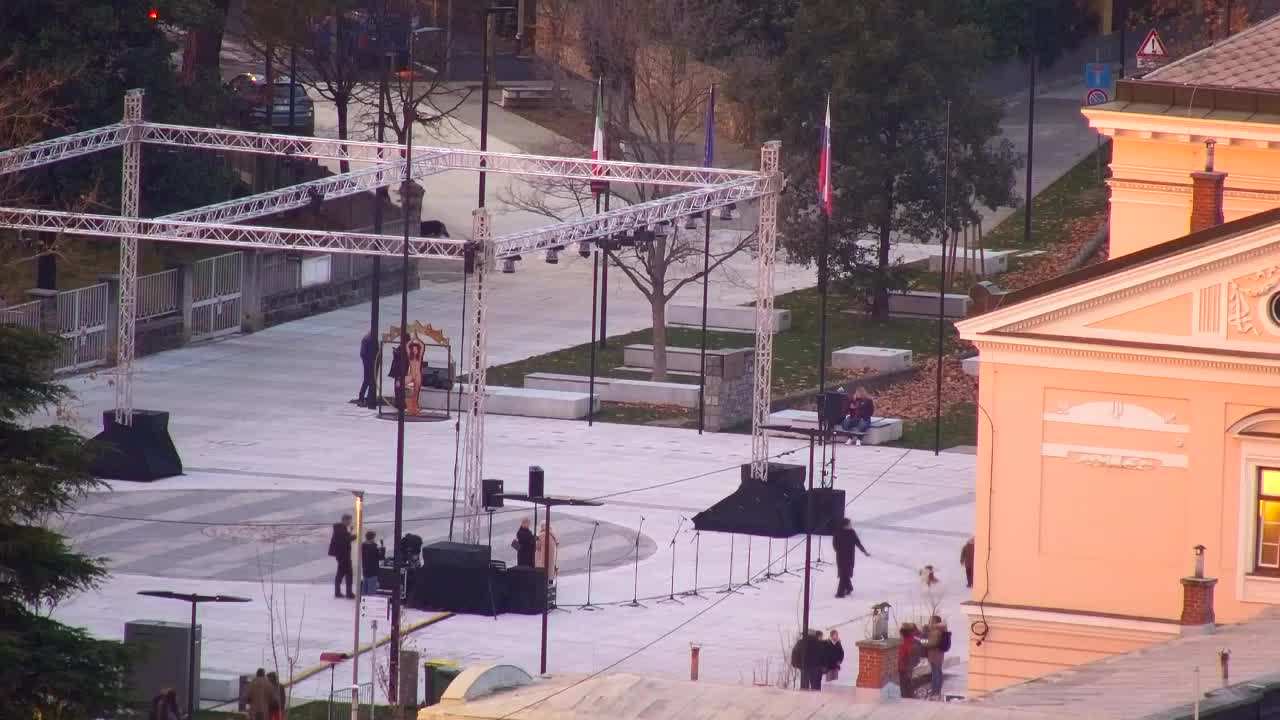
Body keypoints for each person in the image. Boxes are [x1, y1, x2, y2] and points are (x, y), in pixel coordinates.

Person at [831, 517, 869, 598]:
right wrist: (839, 550)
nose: (851, 525)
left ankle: (846, 590)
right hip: (841, 556)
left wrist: (864, 551)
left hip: (850, 556)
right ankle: (843, 591)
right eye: (849, 524)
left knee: (845, 573)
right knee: (843, 574)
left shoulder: (852, 532)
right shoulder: (838, 532)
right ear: (844, 525)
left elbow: (857, 542)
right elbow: (834, 544)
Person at [922, 615, 950, 700]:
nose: (929, 622)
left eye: (931, 620)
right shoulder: (941, 629)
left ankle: (935, 692)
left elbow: (931, 643)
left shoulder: (936, 631)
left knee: (935, 673)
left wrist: (921, 641)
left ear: (935, 621)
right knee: (938, 672)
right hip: (938, 655)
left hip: (934, 655)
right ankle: (937, 691)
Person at [327, 513, 355, 598]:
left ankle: (338, 592)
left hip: (341, 555)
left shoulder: (340, 528)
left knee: (341, 573)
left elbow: (344, 538)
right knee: (348, 574)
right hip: (343, 555)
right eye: (349, 521)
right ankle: (348, 593)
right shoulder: (341, 529)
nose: (350, 522)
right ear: (344, 520)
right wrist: (353, 537)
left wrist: (350, 532)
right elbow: (344, 540)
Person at [896, 624, 924, 699]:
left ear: (903, 633)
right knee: (908, 680)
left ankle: (905, 696)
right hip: (910, 664)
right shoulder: (913, 639)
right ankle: (909, 695)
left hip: (903, 665)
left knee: (903, 682)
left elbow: (902, 655)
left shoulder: (905, 642)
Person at [388, 334, 409, 409]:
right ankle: (400, 402)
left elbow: (401, 357)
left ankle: (399, 403)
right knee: (399, 387)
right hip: (400, 371)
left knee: (398, 387)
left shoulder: (404, 347)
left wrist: (395, 352)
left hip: (399, 371)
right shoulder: (406, 346)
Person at [358, 331, 377, 407]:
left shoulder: (367, 338)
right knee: (368, 380)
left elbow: (362, 353)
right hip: (369, 363)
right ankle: (362, 398)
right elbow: (363, 353)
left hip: (369, 362)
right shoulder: (368, 339)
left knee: (368, 380)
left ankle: (364, 398)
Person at [361, 530, 380, 594]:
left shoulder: (363, 546)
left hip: (365, 571)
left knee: (365, 590)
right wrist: (382, 549)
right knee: (371, 592)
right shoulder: (374, 547)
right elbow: (380, 557)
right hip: (373, 572)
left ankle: (363, 600)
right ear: (372, 538)